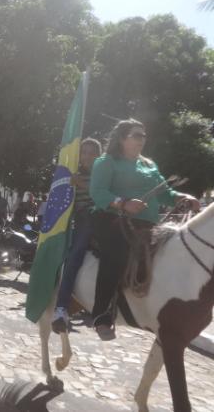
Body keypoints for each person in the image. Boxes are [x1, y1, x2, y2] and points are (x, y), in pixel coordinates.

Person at [89, 119, 200, 340]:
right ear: (122, 138)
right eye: (136, 135)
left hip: (148, 225)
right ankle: (101, 315)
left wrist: (180, 196)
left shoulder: (149, 165)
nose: (142, 139)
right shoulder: (107, 161)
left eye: (144, 135)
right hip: (113, 221)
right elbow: (98, 192)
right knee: (117, 256)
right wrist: (123, 202)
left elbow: (164, 192)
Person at [51, 138, 102, 333]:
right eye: (84, 152)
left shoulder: (102, 175)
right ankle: (62, 306)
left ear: (98, 155)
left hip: (103, 217)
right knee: (75, 255)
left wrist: (83, 185)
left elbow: (104, 195)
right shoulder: (75, 174)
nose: (87, 156)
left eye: (92, 153)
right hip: (84, 219)